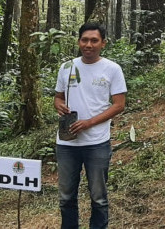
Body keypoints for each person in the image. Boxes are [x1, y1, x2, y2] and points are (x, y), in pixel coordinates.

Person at [54, 23, 127, 229]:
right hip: (67, 143)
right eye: (84, 40)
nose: (88, 44)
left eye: (94, 40)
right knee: (66, 197)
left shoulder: (112, 69)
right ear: (79, 42)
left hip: (97, 142)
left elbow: (119, 105)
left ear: (103, 43)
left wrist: (89, 123)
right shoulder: (67, 67)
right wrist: (59, 105)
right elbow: (58, 97)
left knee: (99, 198)